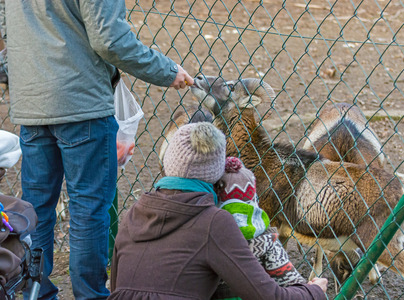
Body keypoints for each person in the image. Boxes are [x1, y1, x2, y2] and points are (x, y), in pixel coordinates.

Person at [3, 1, 194, 299]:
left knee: (36, 207)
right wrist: (167, 71)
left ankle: (33, 291)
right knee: (88, 210)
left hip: (31, 102)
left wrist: (18, 69)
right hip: (82, 104)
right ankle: (89, 294)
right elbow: (110, 40)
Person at [109, 122, 327, 300]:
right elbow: (267, 295)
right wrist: (314, 291)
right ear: (218, 173)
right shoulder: (213, 222)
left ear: (168, 162)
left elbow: (116, 287)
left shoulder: (132, 215)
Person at [212, 156, 310, 300]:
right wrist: (310, 289)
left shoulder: (207, 234)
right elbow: (290, 279)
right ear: (254, 198)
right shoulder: (266, 239)